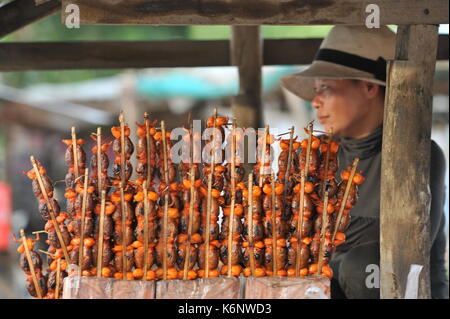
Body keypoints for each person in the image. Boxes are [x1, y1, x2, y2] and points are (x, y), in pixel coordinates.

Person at [281, 25, 448, 299]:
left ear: (369, 87)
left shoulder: (420, 155)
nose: (316, 101)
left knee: (363, 266)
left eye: (326, 87)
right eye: (315, 90)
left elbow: (402, 260)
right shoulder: (317, 159)